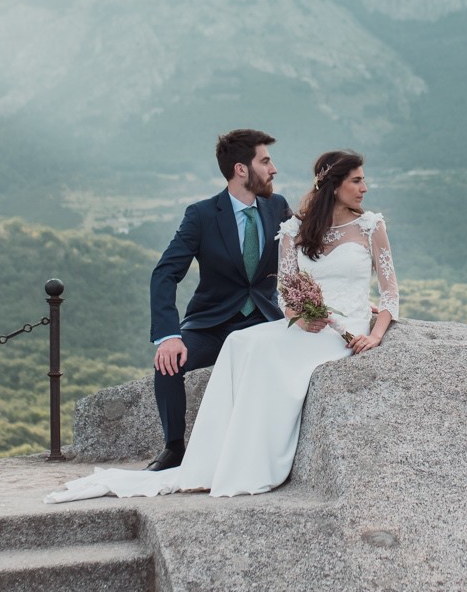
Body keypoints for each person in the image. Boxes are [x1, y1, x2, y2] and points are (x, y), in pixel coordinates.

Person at [46, 149, 399, 501]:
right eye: (356, 180)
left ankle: (251, 462)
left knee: (263, 352)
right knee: (239, 344)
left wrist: (374, 334)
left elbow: (389, 294)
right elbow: (287, 291)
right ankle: (207, 458)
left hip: (346, 327)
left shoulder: (371, 225)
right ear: (334, 186)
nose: (364, 187)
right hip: (304, 324)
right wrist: (300, 316)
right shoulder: (295, 228)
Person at [139, 128, 291, 472]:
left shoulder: (278, 207)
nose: (273, 169)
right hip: (213, 324)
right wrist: (168, 335)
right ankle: (174, 448)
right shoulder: (202, 215)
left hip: (264, 321)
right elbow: (165, 273)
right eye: (265, 161)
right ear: (241, 169)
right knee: (168, 363)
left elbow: (307, 256)